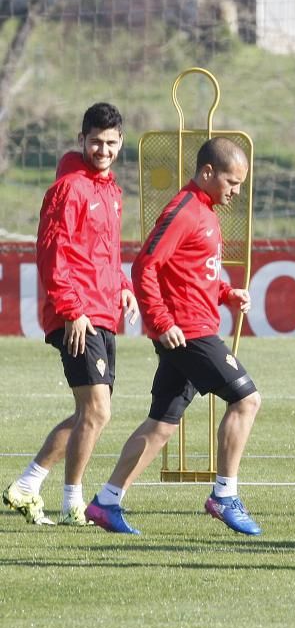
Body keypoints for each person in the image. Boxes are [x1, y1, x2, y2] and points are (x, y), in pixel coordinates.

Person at [84, 137, 263, 536]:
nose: (236, 192)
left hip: (193, 327)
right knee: (247, 399)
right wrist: (162, 323)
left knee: (161, 425)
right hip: (187, 334)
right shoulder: (184, 210)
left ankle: (106, 502)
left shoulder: (208, 212)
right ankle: (224, 495)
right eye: (232, 182)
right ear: (208, 173)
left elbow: (190, 274)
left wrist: (226, 293)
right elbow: (145, 265)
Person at [3, 103, 138, 527]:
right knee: (97, 410)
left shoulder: (110, 191)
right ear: (81, 140)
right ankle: (73, 501)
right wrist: (72, 310)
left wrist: (125, 287)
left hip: (102, 310)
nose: (103, 149)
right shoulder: (69, 188)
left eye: (111, 143)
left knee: (91, 413)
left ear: (120, 144)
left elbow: (103, 255)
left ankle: (28, 486)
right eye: (95, 141)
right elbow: (53, 255)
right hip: (76, 314)